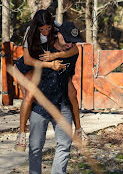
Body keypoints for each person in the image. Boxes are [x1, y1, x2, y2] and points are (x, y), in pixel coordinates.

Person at [14, 10, 88, 152]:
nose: (46, 31)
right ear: (37, 27)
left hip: (44, 63)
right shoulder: (30, 32)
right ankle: (22, 133)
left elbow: (74, 50)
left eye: (48, 28)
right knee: (30, 94)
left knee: (72, 91)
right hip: (26, 66)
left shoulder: (58, 28)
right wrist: (50, 64)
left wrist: (55, 56)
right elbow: (28, 60)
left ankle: (78, 129)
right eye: (42, 29)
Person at [26, 22, 83, 174]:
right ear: (58, 34)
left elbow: (71, 86)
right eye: (68, 40)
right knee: (35, 146)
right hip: (40, 104)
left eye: (74, 42)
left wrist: (78, 125)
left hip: (62, 104)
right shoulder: (41, 48)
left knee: (64, 144)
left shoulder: (71, 52)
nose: (70, 44)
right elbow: (25, 66)